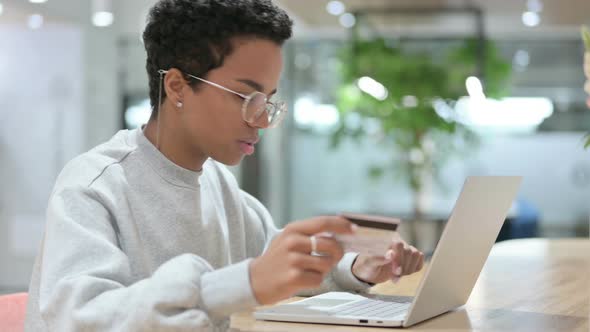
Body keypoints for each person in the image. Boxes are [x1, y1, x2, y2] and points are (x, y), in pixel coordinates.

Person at [24, 0, 424, 331]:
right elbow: (81, 320)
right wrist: (241, 283)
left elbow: (277, 261)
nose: (262, 119)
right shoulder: (93, 187)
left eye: (268, 100)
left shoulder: (219, 185)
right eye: (244, 97)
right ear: (177, 86)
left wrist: (358, 266)